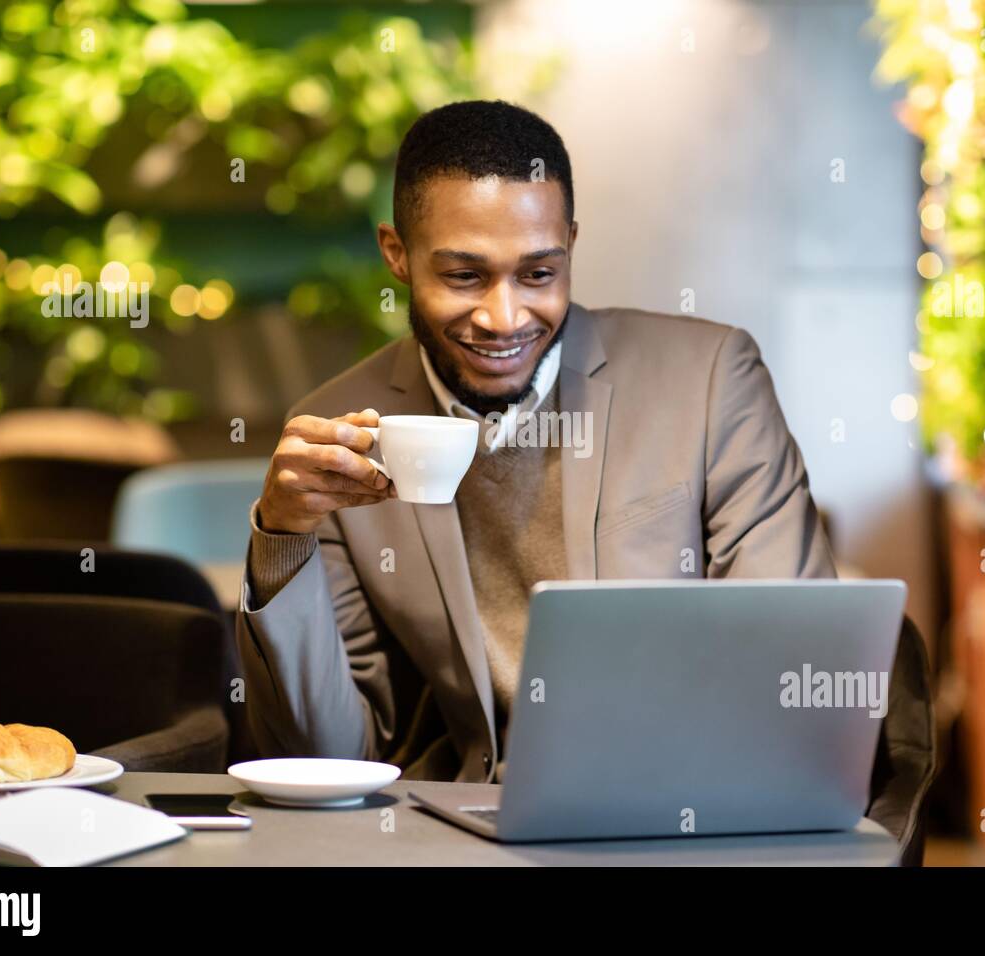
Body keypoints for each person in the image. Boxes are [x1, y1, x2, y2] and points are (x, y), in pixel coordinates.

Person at [236, 99, 836, 783]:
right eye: (464, 276)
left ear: (571, 244)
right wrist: (283, 538)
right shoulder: (345, 429)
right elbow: (327, 758)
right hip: (471, 829)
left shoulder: (708, 381)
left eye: (539, 274)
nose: (504, 317)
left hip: (681, 806)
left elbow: (790, 667)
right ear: (397, 255)